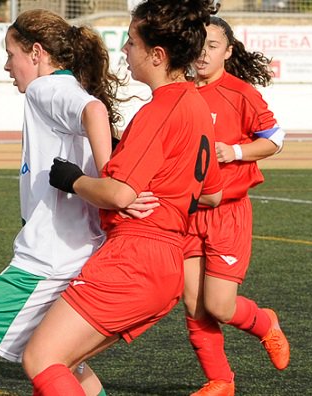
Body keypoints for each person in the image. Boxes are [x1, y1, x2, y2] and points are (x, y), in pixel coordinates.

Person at [20, 1, 224, 394]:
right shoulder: (197, 104)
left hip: (134, 257)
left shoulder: (160, 109)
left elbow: (118, 193)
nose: (125, 52)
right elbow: (212, 194)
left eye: (131, 43)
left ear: (157, 55)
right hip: (167, 261)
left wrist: (73, 179)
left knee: (41, 358)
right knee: (68, 361)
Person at [0, 9, 131, 396]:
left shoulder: (45, 89)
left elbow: (94, 110)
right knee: (66, 368)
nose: (7, 66)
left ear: (36, 52)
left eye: (11, 54)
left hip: (43, 263)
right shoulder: (65, 87)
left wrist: (110, 176)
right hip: (78, 256)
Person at [182, 16, 289, 396]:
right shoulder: (180, 92)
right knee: (193, 305)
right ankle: (220, 381)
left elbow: (276, 138)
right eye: (199, 45)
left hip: (227, 214)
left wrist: (237, 151)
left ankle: (265, 324)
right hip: (188, 213)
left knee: (220, 307)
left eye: (212, 46)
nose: (203, 53)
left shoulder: (240, 93)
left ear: (228, 51)